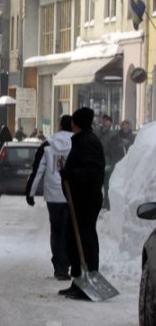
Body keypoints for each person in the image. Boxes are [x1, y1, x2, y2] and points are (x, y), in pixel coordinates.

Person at [58, 107, 105, 300]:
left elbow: (91, 172)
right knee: (74, 240)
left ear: (74, 124)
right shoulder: (84, 140)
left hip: (86, 200)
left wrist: (71, 174)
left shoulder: (87, 142)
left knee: (84, 241)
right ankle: (77, 280)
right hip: (80, 199)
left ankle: (87, 281)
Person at [26, 115, 73, 281]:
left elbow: (37, 169)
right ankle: (68, 264)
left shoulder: (48, 145)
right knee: (70, 230)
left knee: (57, 230)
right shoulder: (78, 143)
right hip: (72, 196)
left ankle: (59, 267)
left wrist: (30, 193)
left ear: (60, 125)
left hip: (53, 195)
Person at [96, 114, 119, 210]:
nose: (104, 122)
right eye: (103, 120)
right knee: (97, 183)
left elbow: (115, 150)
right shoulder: (96, 132)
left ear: (110, 123)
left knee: (106, 184)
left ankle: (107, 203)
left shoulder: (113, 134)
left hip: (107, 161)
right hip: (96, 160)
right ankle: (98, 202)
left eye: (106, 120)